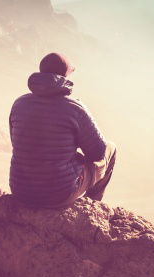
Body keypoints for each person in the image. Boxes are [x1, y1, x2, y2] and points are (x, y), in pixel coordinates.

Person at [9, 52, 116, 208]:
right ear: (65, 77)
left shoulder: (19, 104)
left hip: (20, 190)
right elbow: (98, 152)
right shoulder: (74, 108)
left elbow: (19, 143)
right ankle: (93, 206)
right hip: (57, 195)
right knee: (111, 149)